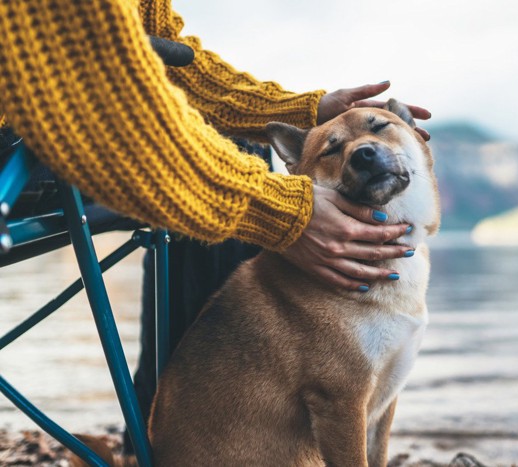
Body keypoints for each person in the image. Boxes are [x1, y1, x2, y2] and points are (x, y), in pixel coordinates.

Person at [0, 0, 431, 449]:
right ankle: (192, 442)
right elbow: (109, 87)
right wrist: (275, 211)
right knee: (230, 172)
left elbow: (167, 57)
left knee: (234, 152)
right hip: (19, 144)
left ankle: (163, 441)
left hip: (38, 144)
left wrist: (307, 110)